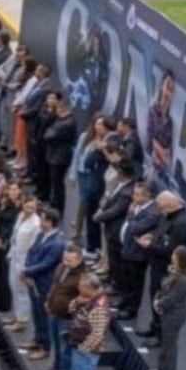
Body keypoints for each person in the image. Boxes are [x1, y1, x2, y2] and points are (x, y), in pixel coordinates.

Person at [135, 191, 186, 347]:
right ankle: (154, 328)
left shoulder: (181, 224)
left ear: (170, 205)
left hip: (166, 269)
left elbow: (171, 251)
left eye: (161, 207)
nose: (159, 211)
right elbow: (160, 233)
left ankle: (161, 336)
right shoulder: (168, 216)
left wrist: (150, 245)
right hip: (157, 265)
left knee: (161, 300)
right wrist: (151, 237)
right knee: (154, 295)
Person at [60, 274, 110, 370]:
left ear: (90, 289)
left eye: (81, 287)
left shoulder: (99, 308)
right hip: (77, 342)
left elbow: (97, 334)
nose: (78, 288)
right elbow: (71, 310)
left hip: (86, 350)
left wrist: (84, 349)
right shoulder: (87, 299)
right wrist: (78, 301)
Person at [39, 245, 85, 370]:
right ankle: (56, 367)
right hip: (54, 312)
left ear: (79, 260)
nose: (66, 262)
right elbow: (55, 286)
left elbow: (83, 298)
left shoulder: (82, 277)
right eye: (65, 258)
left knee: (65, 349)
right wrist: (48, 301)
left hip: (68, 318)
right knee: (56, 343)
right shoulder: (61, 268)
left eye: (70, 260)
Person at [21, 207, 66, 360]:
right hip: (33, 279)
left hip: (45, 283)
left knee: (43, 315)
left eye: (43, 219)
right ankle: (37, 338)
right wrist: (27, 269)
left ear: (50, 222)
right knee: (36, 312)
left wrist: (28, 271)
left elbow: (47, 263)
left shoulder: (58, 243)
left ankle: (45, 347)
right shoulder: (41, 235)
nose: (40, 222)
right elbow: (31, 251)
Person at [70, 114, 113, 260]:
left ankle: (86, 239)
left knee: (86, 204)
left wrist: (101, 149)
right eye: (96, 124)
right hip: (83, 175)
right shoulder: (85, 137)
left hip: (94, 179)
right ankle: (79, 230)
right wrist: (73, 174)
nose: (98, 127)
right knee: (84, 203)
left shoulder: (107, 143)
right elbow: (78, 156)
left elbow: (92, 161)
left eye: (101, 125)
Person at [115, 181, 159, 320]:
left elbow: (135, 228)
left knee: (135, 283)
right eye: (134, 193)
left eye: (137, 194)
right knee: (126, 278)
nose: (133, 197)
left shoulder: (152, 213)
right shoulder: (138, 207)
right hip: (127, 249)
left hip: (138, 254)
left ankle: (132, 309)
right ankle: (125, 301)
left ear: (147, 196)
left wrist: (131, 214)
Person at [92, 158, 135, 293]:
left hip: (117, 228)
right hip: (110, 227)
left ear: (122, 173)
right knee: (111, 255)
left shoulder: (127, 192)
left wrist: (99, 216)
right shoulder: (120, 185)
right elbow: (109, 199)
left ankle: (117, 284)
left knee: (116, 258)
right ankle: (111, 277)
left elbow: (115, 210)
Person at [153, 245, 186, 370]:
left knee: (169, 344)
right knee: (165, 342)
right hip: (167, 312)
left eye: (175, 255)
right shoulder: (174, 272)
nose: (172, 256)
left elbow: (172, 298)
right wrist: (157, 299)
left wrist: (159, 303)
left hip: (174, 315)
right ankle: (161, 368)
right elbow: (164, 289)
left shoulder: (184, 281)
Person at [6, 196, 40, 332]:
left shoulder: (36, 224)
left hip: (24, 259)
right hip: (15, 254)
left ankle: (22, 320)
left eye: (32, 208)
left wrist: (27, 267)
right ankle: (16, 315)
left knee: (21, 290)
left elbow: (33, 246)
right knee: (13, 285)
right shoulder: (20, 216)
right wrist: (10, 253)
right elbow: (14, 237)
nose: (29, 210)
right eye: (27, 207)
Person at [0, 181, 22, 313]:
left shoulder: (19, 208)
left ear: (19, 191)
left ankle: (5, 303)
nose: (12, 192)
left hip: (9, 242)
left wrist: (3, 238)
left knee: (5, 273)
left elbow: (14, 226)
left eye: (15, 189)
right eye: (10, 189)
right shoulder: (4, 204)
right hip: (1, 240)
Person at [42, 93, 77, 214]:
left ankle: (58, 208)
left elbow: (48, 135)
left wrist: (49, 132)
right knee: (54, 182)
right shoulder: (60, 121)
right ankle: (54, 203)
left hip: (60, 156)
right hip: (54, 154)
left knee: (58, 183)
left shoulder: (67, 123)